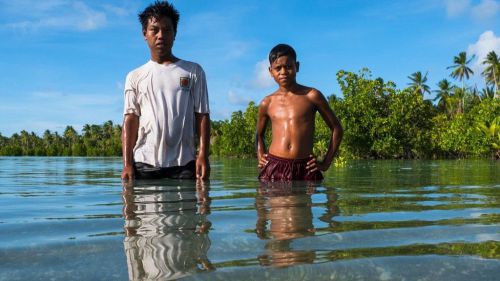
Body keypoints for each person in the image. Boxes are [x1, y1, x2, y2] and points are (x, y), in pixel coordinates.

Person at [121, 1, 210, 181]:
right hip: (144, 164)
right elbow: (130, 119)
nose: (161, 35)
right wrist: (127, 164)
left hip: (185, 164)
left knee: (188, 208)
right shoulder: (135, 76)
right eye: (155, 29)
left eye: (167, 30)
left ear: (175, 34)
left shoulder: (193, 71)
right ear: (144, 33)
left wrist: (203, 156)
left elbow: (202, 115)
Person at [256, 44, 343, 181]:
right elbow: (259, 135)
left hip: (306, 166)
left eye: (288, 66)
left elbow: (337, 128)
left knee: (303, 202)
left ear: (297, 66)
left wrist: (326, 163)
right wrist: (261, 156)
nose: (283, 72)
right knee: (276, 202)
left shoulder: (312, 95)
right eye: (278, 68)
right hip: (274, 165)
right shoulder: (267, 103)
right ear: (270, 71)